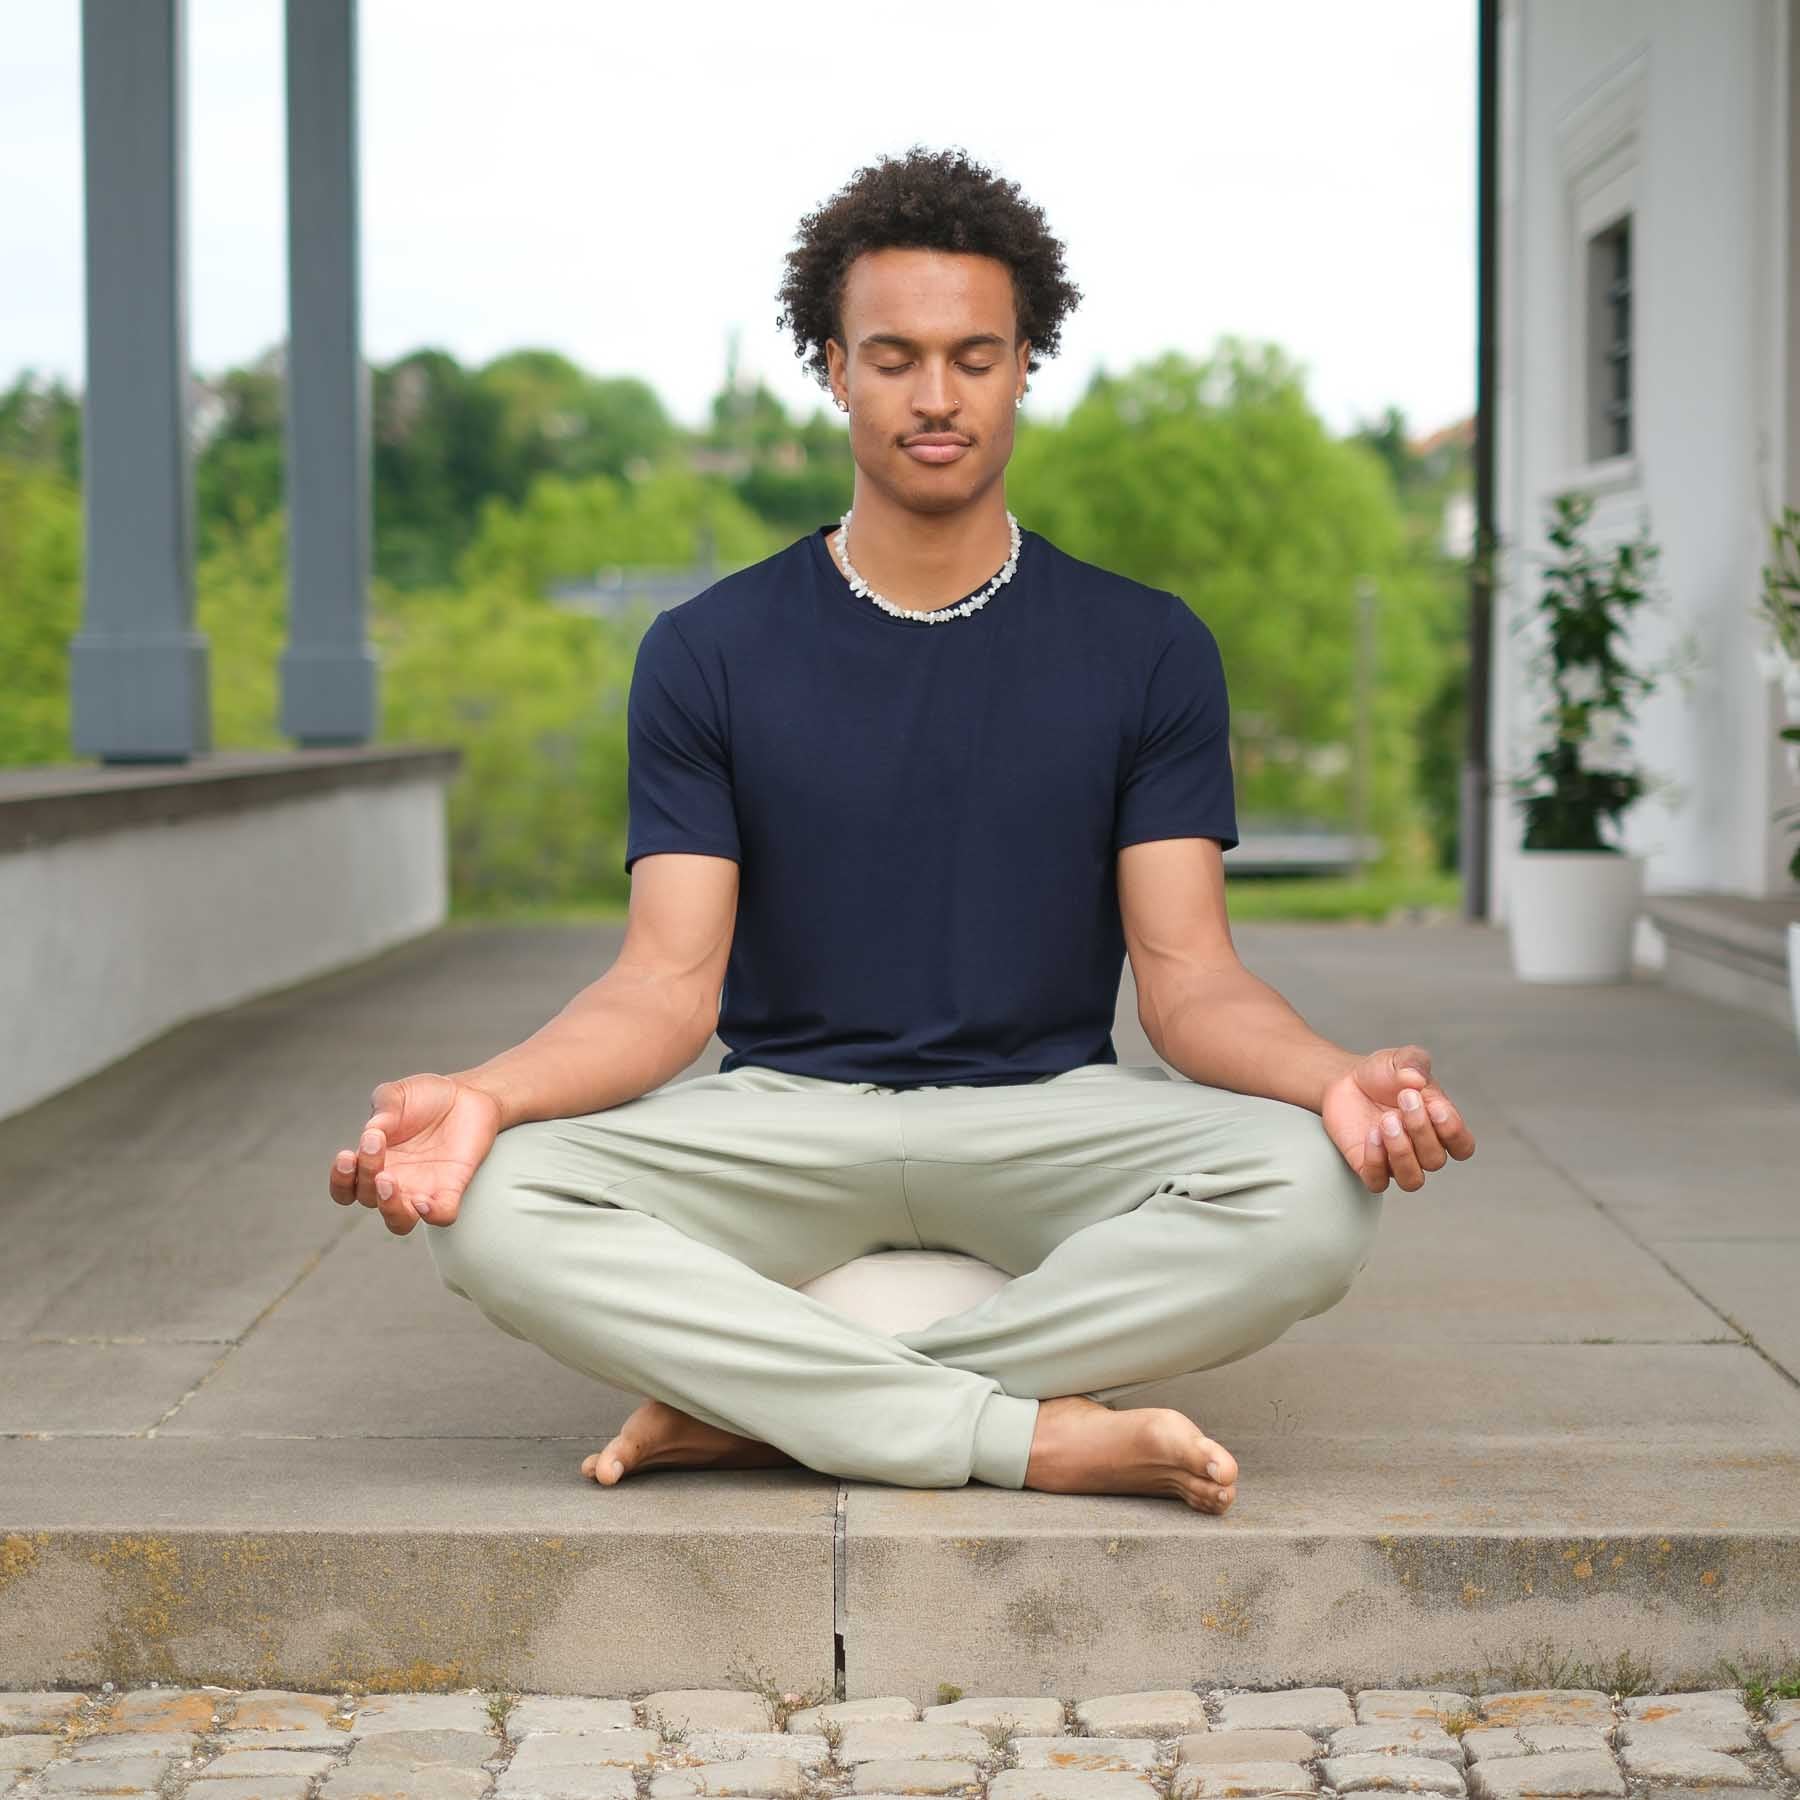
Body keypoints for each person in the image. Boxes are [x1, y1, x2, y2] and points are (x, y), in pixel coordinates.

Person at [326, 144, 1476, 1514]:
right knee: (494, 1206)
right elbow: (665, 983)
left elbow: (1189, 981)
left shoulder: (1146, 647)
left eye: (975, 356)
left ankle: (771, 1410)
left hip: (1047, 1113)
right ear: (832, 366)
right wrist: (491, 1094)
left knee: (1311, 1187)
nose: (936, 396)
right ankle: (1020, 1435)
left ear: (1027, 363)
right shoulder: (711, 650)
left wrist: (1333, 1076)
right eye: (894, 356)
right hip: (785, 1119)